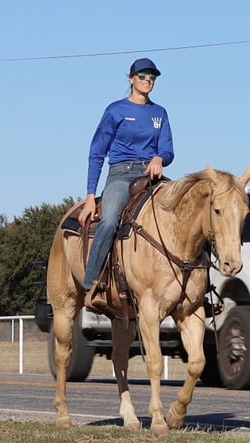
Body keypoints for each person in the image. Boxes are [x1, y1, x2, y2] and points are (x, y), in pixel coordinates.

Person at [78, 57, 174, 310]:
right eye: (142, 75)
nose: (147, 80)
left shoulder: (160, 113)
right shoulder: (115, 110)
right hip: (121, 174)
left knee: (185, 208)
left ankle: (195, 285)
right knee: (110, 220)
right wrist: (90, 196)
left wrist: (159, 157)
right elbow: (97, 152)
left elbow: (168, 150)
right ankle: (93, 283)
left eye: (152, 76)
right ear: (131, 79)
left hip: (151, 176)